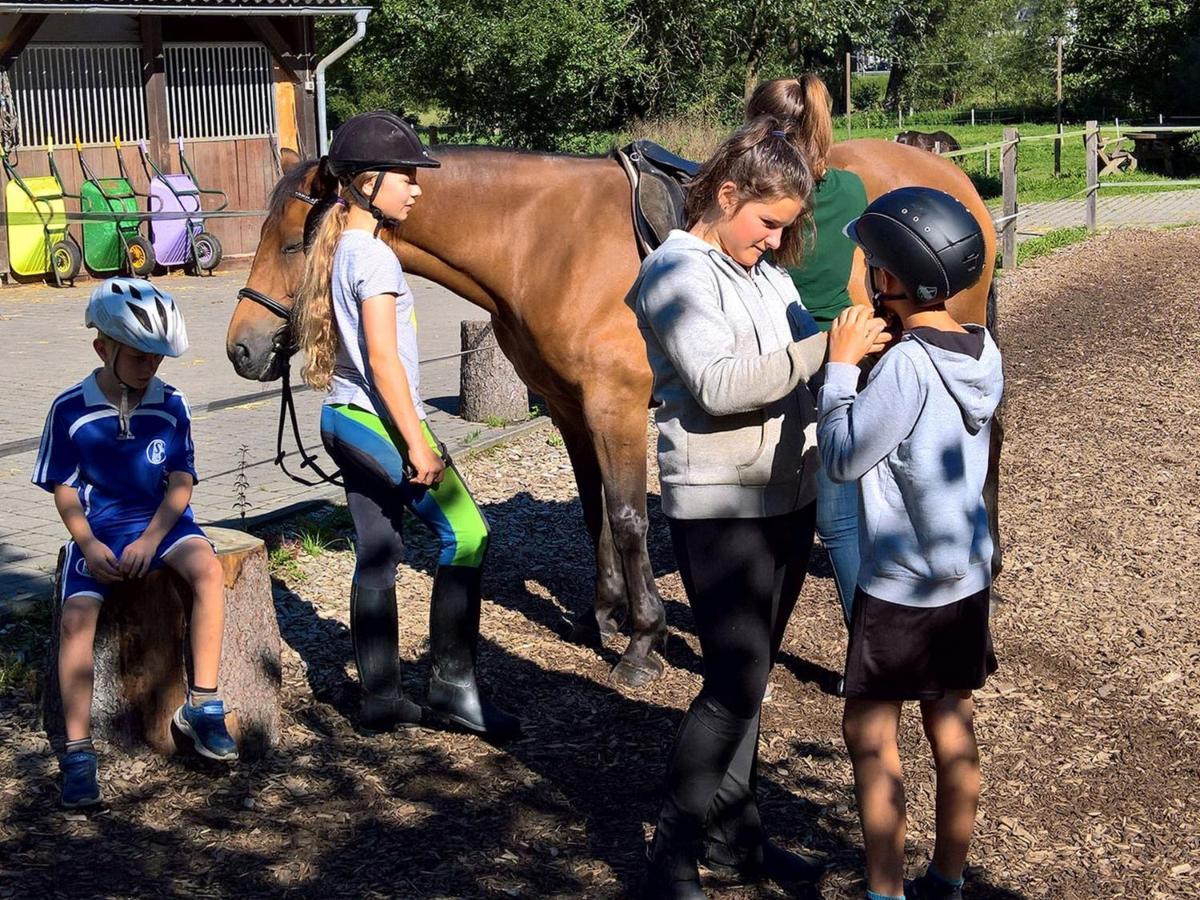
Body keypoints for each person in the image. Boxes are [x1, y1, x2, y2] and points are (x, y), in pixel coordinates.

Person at [635, 115, 889, 898]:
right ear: (727, 193)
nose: (777, 242)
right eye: (768, 223)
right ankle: (669, 855)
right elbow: (717, 384)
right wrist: (826, 351)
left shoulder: (765, 275)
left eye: (785, 229)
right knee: (734, 682)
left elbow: (810, 360)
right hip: (720, 507)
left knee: (751, 676)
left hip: (787, 495)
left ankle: (736, 840)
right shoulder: (674, 273)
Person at [293, 110, 519, 740]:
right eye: (406, 176)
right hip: (379, 422)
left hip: (340, 418)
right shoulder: (377, 259)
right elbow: (385, 360)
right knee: (469, 533)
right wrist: (418, 442)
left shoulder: (341, 248)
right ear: (367, 183)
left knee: (378, 552)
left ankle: (382, 696)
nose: (417, 187)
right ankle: (452, 689)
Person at [817, 187, 1003, 900]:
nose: (863, 272)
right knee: (950, 717)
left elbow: (843, 456)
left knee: (868, 731)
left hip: (902, 585)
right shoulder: (978, 349)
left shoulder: (906, 366)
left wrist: (841, 368)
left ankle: (884, 892)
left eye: (870, 262)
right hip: (964, 578)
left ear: (894, 278)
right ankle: (947, 879)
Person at [33, 277, 237, 808]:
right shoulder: (69, 409)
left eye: (157, 358)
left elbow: (180, 482)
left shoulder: (172, 403)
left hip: (162, 525)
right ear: (103, 347)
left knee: (208, 571)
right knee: (77, 619)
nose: (151, 368)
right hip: (100, 530)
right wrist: (87, 543)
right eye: (139, 356)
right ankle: (79, 751)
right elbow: (65, 488)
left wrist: (152, 538)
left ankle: (204, 704)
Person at [746, 74, 867, 625]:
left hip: (784, 357)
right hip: (847, 352)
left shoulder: (761, 203)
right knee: (842, 511)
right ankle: (870, 645)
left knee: (799, 513)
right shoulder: (853, 189)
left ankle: (758, 650)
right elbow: (858, 283)